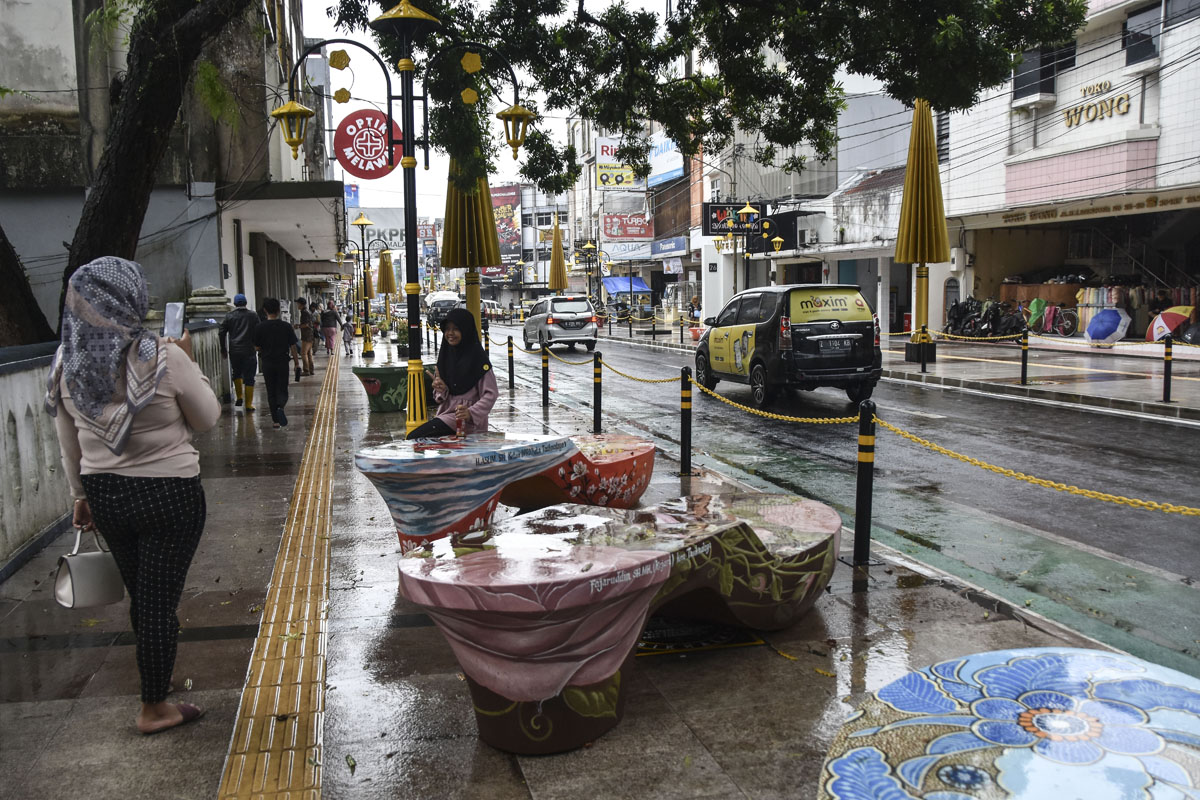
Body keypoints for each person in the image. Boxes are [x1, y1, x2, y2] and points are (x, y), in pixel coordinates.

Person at [45, 256, 220, 734]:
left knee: (145, 596)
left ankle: (156, 678)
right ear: (132, 300)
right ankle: (154, 707)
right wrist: (188, 359)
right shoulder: (164, 356)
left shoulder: (67, 363)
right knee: (157, 601)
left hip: (105, 494)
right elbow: (207, 418)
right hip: (169, 494)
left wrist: (79, 496)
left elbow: (69, 442)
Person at [407, 307, 498, 439]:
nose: (450, 333)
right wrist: (441, 389)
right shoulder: (446, 356)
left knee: (415, 437)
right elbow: (441, 396)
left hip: (467, 421)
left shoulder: (478, 360)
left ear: (465, 330)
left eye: (455, 329)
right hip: (446, 415)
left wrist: (471, 412)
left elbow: (491, 393)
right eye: (447, 329)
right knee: (423, 441)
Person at [251, 297, 301, 428]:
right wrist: (296, 363)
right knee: (282, 388)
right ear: (278, 310)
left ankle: (275, 421)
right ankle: (280, 406)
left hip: (267, 363)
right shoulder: (286, 326)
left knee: (271, 390)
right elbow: (293, 346)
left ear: (265, 310)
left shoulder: (259, 327)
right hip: (282, 362)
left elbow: (256, 347)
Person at [218, 293, 259, 411]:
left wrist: (223, 348)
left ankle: (239, 397)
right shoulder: (253, 315)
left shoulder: (229, 316)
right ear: (246, 303)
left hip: (235, 350)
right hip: (249, 349)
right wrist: (257, 344)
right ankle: (248, 404)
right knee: (249, 377)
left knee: (236, 373)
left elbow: (221, 332)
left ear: (235, 304)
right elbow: (259, 330)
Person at [294, 297, 315, 376]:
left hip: (306, 336)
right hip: (310, 335)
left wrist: (298, 326)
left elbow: (306, 324)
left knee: (303, 353)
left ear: (301, 304)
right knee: (309, 354)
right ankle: (311, 370)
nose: (297, 305)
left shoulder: (304, 312)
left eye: (298, 304)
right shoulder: (308, 311)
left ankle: (306, 370)